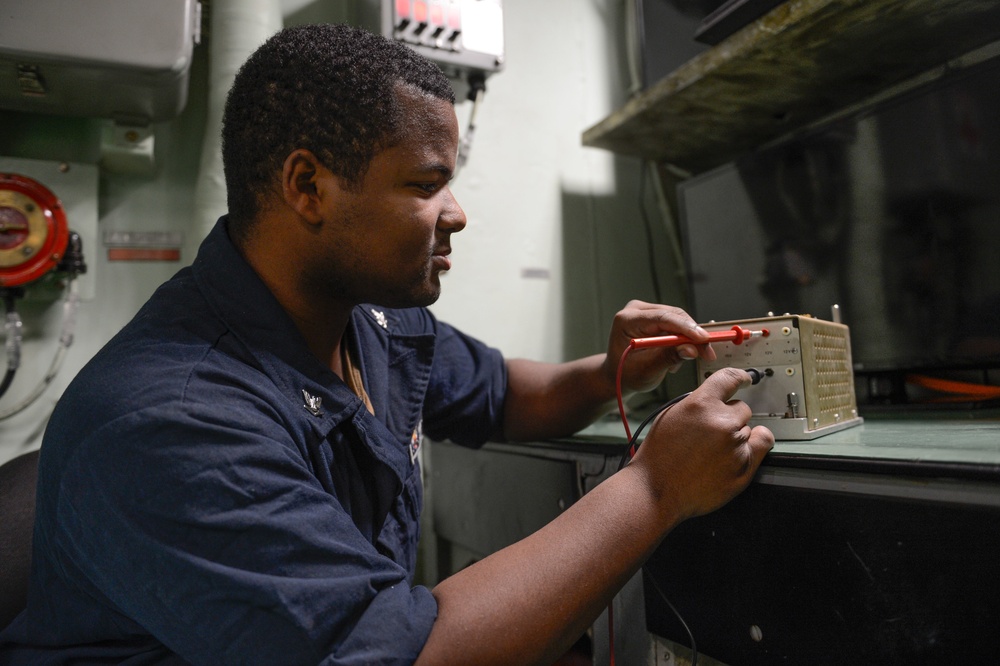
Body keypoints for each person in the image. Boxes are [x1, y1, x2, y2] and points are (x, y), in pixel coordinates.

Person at [0, 23, 773, 665]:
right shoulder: (172, 419)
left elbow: (503, 394)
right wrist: (654, 488)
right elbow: (411, 657)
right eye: (424, 183)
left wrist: (613, 372)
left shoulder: (367, 319)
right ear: (308, 188)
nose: (457, 212)